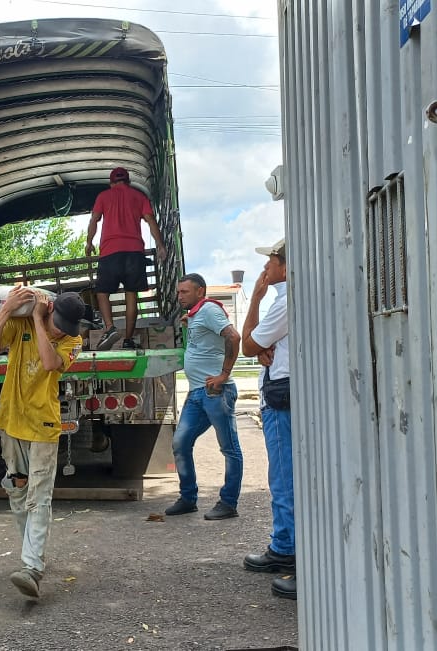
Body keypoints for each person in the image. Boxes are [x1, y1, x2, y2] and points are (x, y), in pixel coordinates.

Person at [0, 287, 85, 599]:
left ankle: (32, 567)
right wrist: (5, 311)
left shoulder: (72, 341)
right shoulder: (19, 325)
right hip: (12, 423)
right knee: (17, 491)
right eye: (57, 323)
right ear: (50, 308)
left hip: (44, 426)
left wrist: (41, 323)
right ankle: (32, 554)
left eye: (64, 328)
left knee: (39, 497)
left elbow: (51, 363)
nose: (60, 331)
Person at [239, 239, 295, 600]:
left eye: (271, 262)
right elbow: (259, 348)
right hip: (285, 391)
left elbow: (246, 344)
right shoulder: (290, 301)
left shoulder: (285, 302)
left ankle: (286, 548)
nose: (265, 270)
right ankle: (284, 544)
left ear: (286, 267)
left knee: (283, 477)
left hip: (280, 399)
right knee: (285, 475)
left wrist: (255, 299)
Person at [165, 273, 244, 520]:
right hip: (197, 392)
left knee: (229, 448)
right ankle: (188, 498)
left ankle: (228, 503)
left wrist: (224, 374)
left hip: (216, 391)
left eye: (185, 292)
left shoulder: (209, 309)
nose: (180, 296)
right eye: (179, 292)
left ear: (200, 291)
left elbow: (233, 336)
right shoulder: (198, 314)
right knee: (180, 443)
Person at [85, 166, 167, 350]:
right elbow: (151, 221)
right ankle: (128, 339)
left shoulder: (103, 197)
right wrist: (161, 246)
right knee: (132, 296)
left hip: (110, 252)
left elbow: (94, 220)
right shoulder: (139, 197)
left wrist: (89, 243)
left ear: (111, 182)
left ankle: (109, 328)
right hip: (134, 252)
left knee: (102, 292)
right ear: (128, 181)